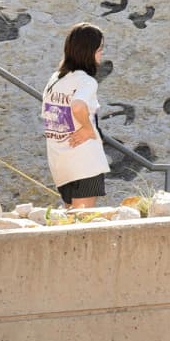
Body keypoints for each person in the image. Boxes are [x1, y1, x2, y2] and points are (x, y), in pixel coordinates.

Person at [43, 22, 110, 208]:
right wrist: (89, 130)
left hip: (61, 163)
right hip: (84, 162)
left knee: (70, 223)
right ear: (89, 51)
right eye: (99, 48)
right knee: (83, 226)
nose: (101, 53)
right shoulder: (86, 81)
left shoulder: (55, 79)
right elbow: (78, 106)